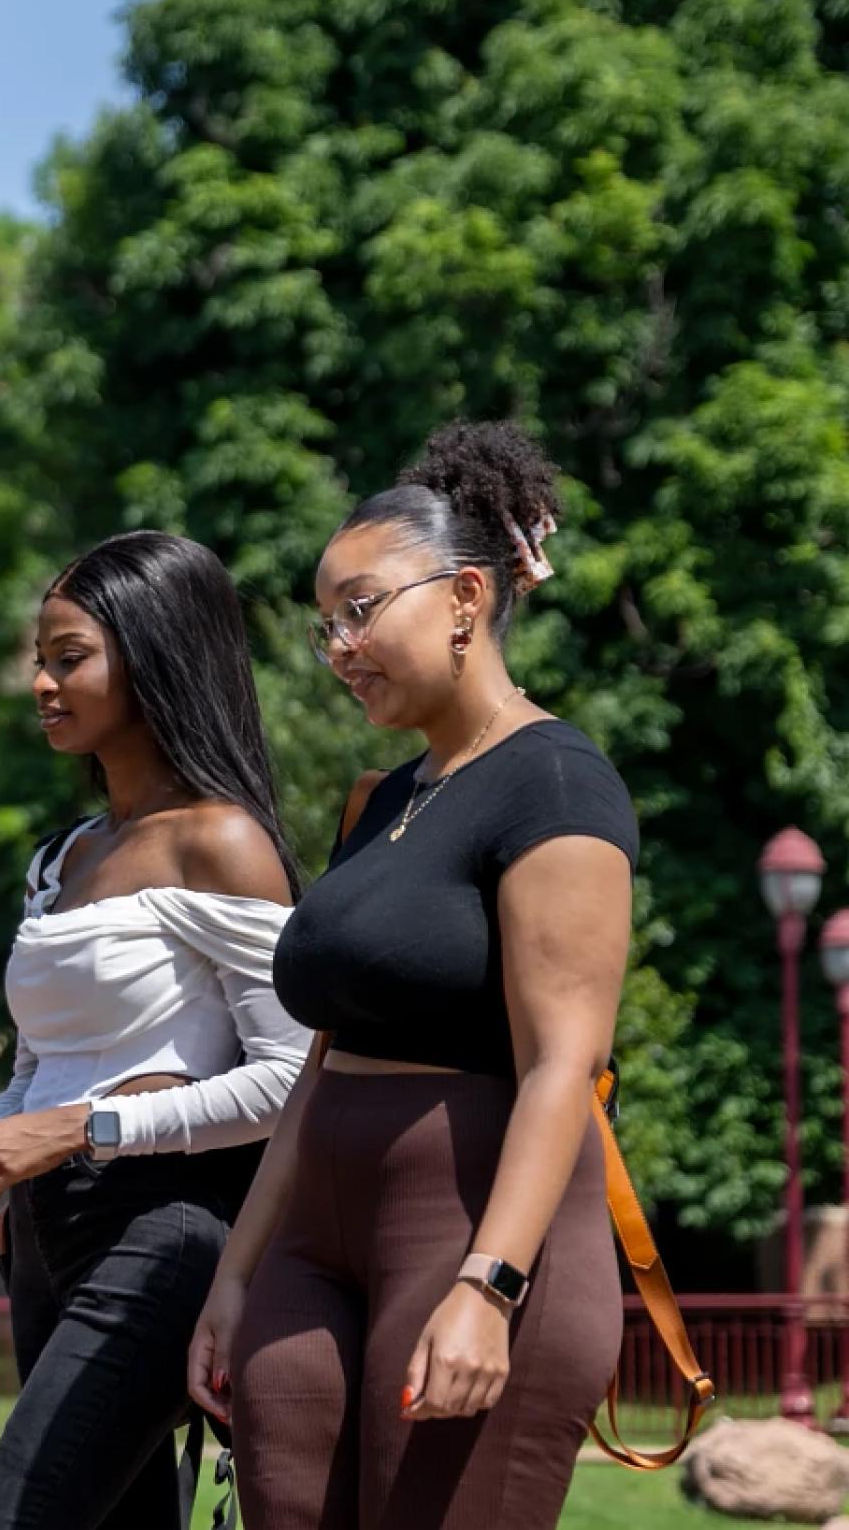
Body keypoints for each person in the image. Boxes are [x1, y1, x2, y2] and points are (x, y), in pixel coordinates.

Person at [189, 421, 635, 1528]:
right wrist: (236, 1273)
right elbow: (321, 1054)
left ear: (464, 597)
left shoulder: (557, 785)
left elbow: (559, 1067)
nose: (337, 645)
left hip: (470, 1224)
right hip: (312, 1238)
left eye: (359, 608)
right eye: (321, 624)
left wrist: (488, 1288)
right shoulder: (384, 801)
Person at [0, 532, 310, 1530]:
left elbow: (291, 1081)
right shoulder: (62, 858)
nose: (40, 682)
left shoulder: (219, 841)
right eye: (38, 659)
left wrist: (80, 1130)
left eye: (67, 656)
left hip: (160, 1230)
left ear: (153, 651)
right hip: (43, 1234)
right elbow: (41, 1068)